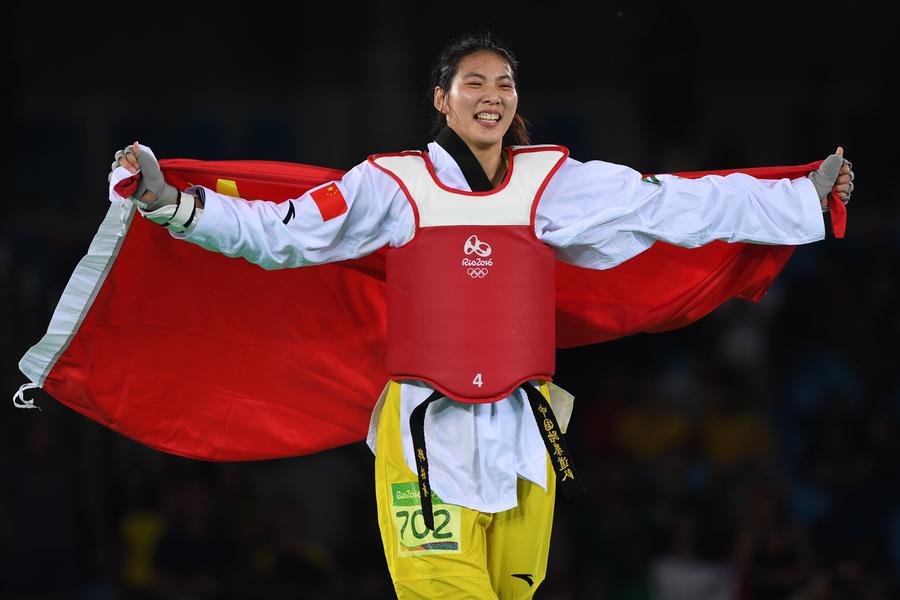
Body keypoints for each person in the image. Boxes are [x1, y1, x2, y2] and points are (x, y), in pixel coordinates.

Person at [109, 32, 853, 600]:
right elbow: (279, 232)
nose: (491, 95)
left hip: (525, 433)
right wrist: (173, 205)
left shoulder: (550, 181)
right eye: (474, 82)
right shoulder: (391, 184)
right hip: (423, 436)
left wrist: (800, 199)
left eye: (504, 84)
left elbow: (676, 203)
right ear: (442, 99)